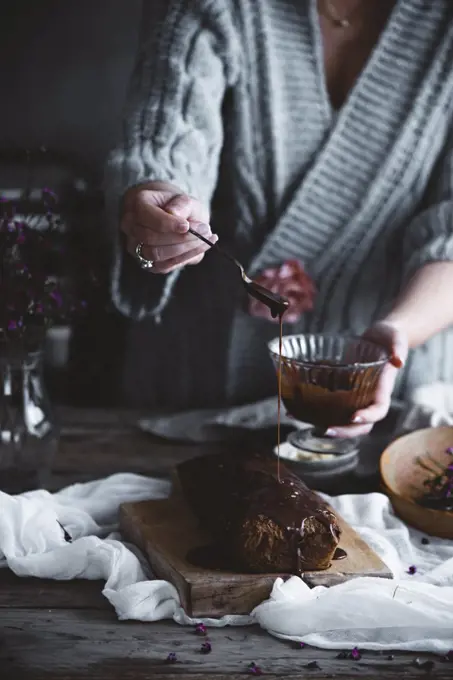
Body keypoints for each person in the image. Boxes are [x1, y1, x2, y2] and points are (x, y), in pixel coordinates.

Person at [105, 0, 453, 436]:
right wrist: (160, 208)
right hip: (200, 387)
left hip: (390, 406)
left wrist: (396, 331)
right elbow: (168, 141)